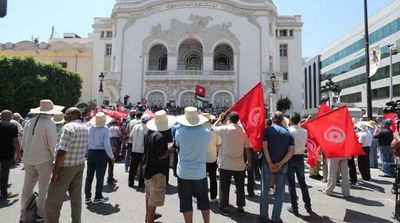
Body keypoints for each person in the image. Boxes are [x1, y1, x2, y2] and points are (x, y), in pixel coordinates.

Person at [20, 99, 62, 221]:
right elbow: (53, 144)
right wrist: (55, 161)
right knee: (43, 186)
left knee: (27, 186)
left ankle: (24, 212)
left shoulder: (29, 121)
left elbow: (23, 143)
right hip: (43, 160)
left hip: (28, 159)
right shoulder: (48, 123)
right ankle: (40, 213)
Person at [45, 107, 89, 223]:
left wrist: (55, 172)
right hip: (79, 164)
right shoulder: (85, 127)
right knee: (76, 198)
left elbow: (62, 151)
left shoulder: (68, 127)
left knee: (53, 200)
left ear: (74, 114)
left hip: (65, 167)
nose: (65, 115)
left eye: (67, 113)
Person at [175, 107, 211, 223]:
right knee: (204, 200)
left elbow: (178, 145)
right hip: (200, 171)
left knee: (186, 202)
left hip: (184, 171)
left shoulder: (179, 132)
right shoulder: (206, 132)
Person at [212, 112, 251, 216]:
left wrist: (219, 119)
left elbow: (213, 127)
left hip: (226, 163)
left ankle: (224, 207)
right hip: (239, 163)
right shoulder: (243, 130)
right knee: (240, 186)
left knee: (224, 186)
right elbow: (247, 148)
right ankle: (240, 207)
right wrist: (249, 161)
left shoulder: (225, 129)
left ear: (229, 119)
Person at [259, 111, 294, 223]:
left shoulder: (268, 130)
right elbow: (291, 151)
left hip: (267, 163)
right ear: (282, 119)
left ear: (273, 119)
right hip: (282, 166)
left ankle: (264, 215)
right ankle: (275, 217)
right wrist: (281, 163)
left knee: (265, 190)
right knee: (279, 191)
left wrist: (270, 163)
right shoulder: (288, 132)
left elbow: (265, 147)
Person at [142, 110, 176, 223]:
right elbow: (161, 156)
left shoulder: (149, 134)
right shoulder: (160, 137)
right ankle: (150, 220)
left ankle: (148, 217)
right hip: (157, 171)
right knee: (154, 199)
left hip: (147, 168)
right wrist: (170, 151)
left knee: (149, 195)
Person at [85, 112, 115, 204]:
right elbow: (107, 145)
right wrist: (111, 156)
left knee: (89, 176)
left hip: (91, 152)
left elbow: (86, 143)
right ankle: (98, 196)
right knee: (100, 176)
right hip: (101, 153)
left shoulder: (89, 128)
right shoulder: (105, 129)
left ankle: (87, 196)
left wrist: (87, 152)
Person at [286, 112, 312, 216]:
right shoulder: (304, 131)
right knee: (302, 182)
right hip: (300, 157)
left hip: (290, 157)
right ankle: (308, 205)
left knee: (291, 183)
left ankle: (294, 207)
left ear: (291, 121)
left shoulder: (288, 131)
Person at [0, 110, 21, 199]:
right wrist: (18, 154)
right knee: (4, 173)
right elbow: (15, 141)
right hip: (7, 153)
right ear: (9, 116)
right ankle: (4, 193)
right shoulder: (12, 126)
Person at [203, 113, 221, 202]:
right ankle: (213, 197)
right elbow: (218, 145)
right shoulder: (214, 130)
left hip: (201, 158)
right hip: (212, 157)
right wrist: (218, 156)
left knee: (201, 178)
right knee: (213, 178)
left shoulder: (198, 130)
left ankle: (200, 196)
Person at [128, 114, 149, 188]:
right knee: (142, 167)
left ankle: (130, 182)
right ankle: (141, 183)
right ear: (147, 121)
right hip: (143, 150)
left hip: (134, 149)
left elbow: (131, 135)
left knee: (133, 166)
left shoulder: (136, 126)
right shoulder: (147, 128)